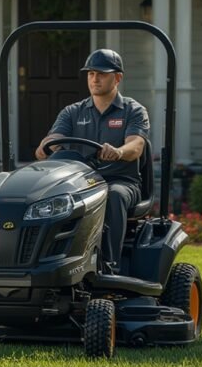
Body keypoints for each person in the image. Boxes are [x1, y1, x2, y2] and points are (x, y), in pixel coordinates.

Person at [35, 48, 150, 273]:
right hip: (79, 183)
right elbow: (54, 138)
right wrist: (48, 145)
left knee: (113, 195)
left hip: (120, 180)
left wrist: (118, 152)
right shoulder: (72, 112)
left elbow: (136, 146)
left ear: (117, 78)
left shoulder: (133, 110)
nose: (95, 79)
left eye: (101, 74)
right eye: (91, 74)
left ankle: (108, 266)